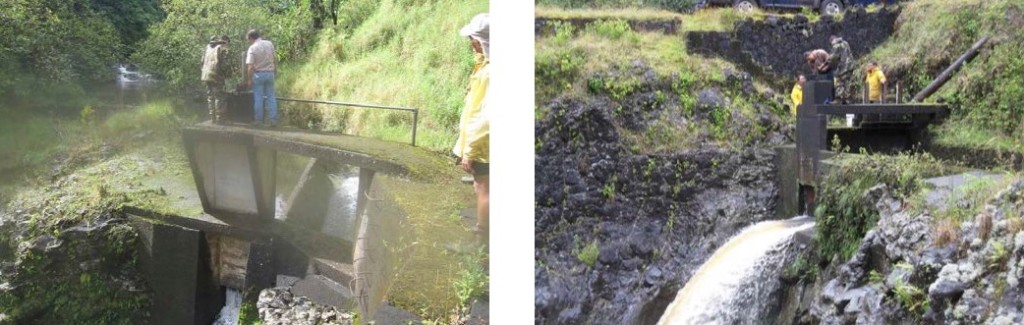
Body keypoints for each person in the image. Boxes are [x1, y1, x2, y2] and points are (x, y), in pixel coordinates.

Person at [454, 13, 490, 247]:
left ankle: (481, 241)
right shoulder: (485, 67)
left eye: (474, 40)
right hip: (483, 144)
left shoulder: (489, 73)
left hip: (484, 146)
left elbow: (484, 117)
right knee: (483, 185)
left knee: (483, 188)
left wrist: (470, 150)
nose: (471, 44)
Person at [243, 29, 278, 127]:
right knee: (271, 97)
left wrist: (249, 80)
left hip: (258, 75)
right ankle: (273, 121)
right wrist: (275, 71)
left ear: (251, 38)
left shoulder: (252, 48)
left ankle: (259, 121)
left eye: (248, 40)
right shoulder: (269, 44)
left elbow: (250, 66)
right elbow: (275, 59)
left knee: (258, 98)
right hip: (270, 73)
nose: (248, 42)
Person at [201, 35, 231, 124]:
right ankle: (220, 119)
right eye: (228, 43)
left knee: (210, 97)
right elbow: (224, 65)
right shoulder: (221, 48)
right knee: (219, 96)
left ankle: (212, 118)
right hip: (216, 75)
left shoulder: (207, 48)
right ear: (225, 41)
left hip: (206, 75)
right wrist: (227, 74)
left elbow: (202, 62)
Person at [828, 35, 854, 103]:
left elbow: (833, 58)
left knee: (839, 82)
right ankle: (847, 99)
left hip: (843, 67)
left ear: (832, 41)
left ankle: (838, 99)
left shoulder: (836, 46)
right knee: (847, 82)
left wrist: (829, 63)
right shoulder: (845, 43)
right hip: (850, 65)